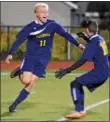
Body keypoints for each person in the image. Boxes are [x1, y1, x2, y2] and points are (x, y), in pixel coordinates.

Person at [5, 3, 84, 112]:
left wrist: (78, 44)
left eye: (46, 12)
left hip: (44, 59)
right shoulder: (30, 28)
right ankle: (20, 71)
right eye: (42, 12)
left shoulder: (52, 25)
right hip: (30, 57)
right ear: (36, 14)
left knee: (32, 83)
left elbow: (66, 35)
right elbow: (19, 41)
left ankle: (14, 105)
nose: (45, 14)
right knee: (25, 81)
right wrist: (10, 53)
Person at [55, 20, 109, 119]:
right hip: (104, 71)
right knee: (78, 83)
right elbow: (95, 46)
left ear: (87, 30)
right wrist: (86, 38)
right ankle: (80, 109)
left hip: (100, 73)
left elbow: (83, 60)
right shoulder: (100, 38)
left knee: (75, 84)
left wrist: (67, 70)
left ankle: (79, 110)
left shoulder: (93, 42)